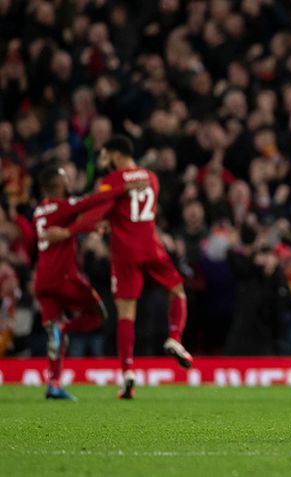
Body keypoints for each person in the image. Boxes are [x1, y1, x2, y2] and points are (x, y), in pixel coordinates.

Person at [44, 136, 192, 400]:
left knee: (126, 312)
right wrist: (111, 222)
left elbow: (96, 207)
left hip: (125, 253)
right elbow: (132, 212)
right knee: (178, 291)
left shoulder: (113, 180)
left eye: (105, 154)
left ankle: (127, 373)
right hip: (151, 245)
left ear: (116, 154)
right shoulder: (151, 177)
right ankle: (175, 338)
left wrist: (70, 230)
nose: (103, 160)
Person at [34, 165, 143, 400]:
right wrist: (123, 188)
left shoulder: (40, 211)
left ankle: (53, 384)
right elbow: (93, 201)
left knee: (55, 333)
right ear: (57, 185)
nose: (68, 180)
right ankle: (63, 329)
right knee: (97, 314)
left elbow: (72, 222)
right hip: (62, 278)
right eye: (64, 178)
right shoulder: (64, 206)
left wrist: (94, 226)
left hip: (42, 281)